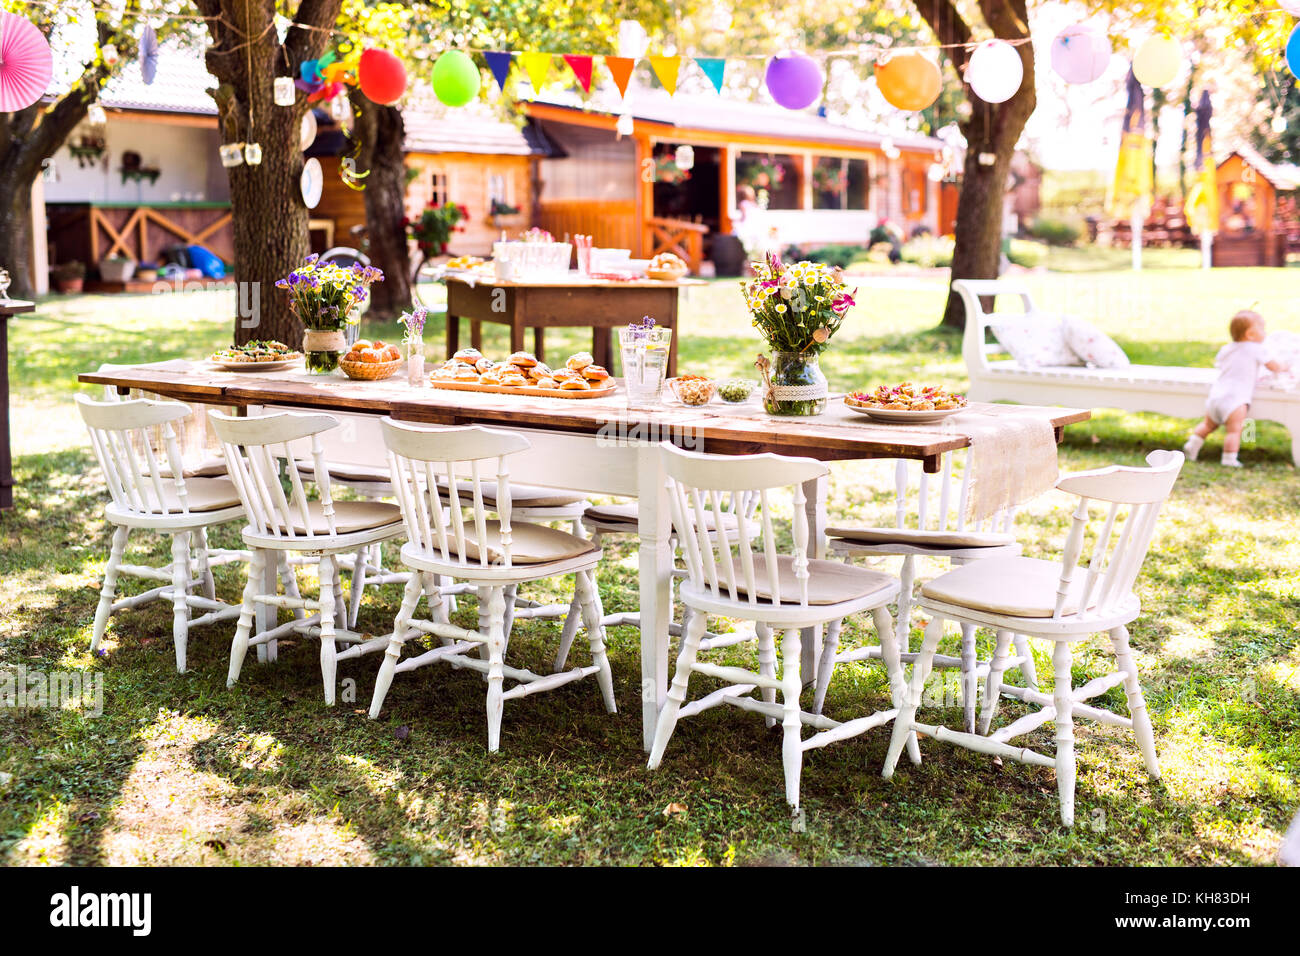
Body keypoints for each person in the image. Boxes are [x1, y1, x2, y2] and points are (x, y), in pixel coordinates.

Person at [1183, 309, 1289, 467]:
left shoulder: (1226, 349)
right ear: (1250, 334)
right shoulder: (1257, 349)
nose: (1265, 333)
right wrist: (1284, 366)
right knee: (1234, 431)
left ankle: (1192, 445)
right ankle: (1229, 459)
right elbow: (1274, 366)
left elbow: (1221, 363)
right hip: (1236, 400)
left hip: (1216, 396)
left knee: (1208, 425)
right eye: (1262, 329)